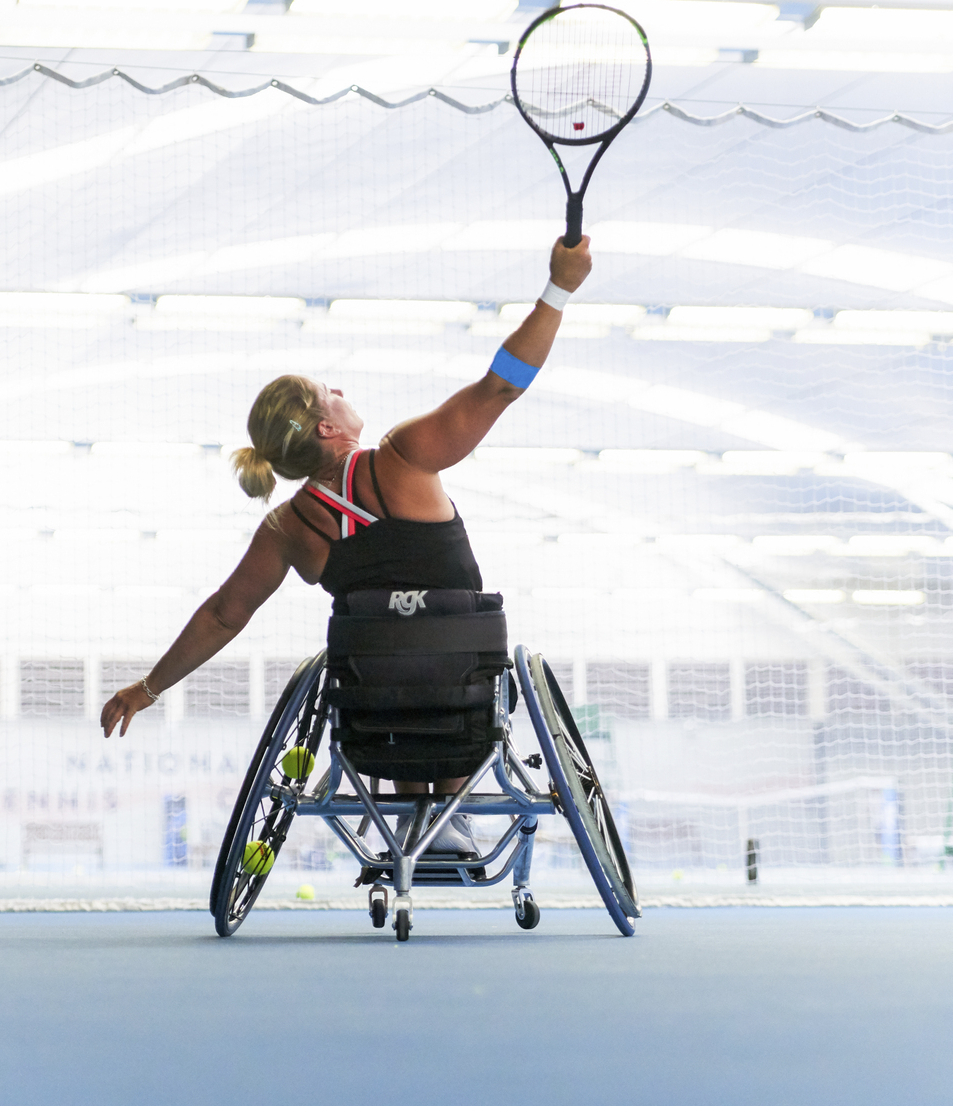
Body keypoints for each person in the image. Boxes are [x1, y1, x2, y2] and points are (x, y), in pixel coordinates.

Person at [100, 235, 594, 856]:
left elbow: (224, 615)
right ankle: (450, 815)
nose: (338, 386)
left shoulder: (287, 528)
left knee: (393, 659)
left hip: (374, 710)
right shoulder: (403, 456)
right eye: (327, 390)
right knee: (449, 652)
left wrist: (148, 689)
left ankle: (414, 815)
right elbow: (500, 387)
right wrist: (559, 289)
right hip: (463, 690)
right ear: (327, 426)